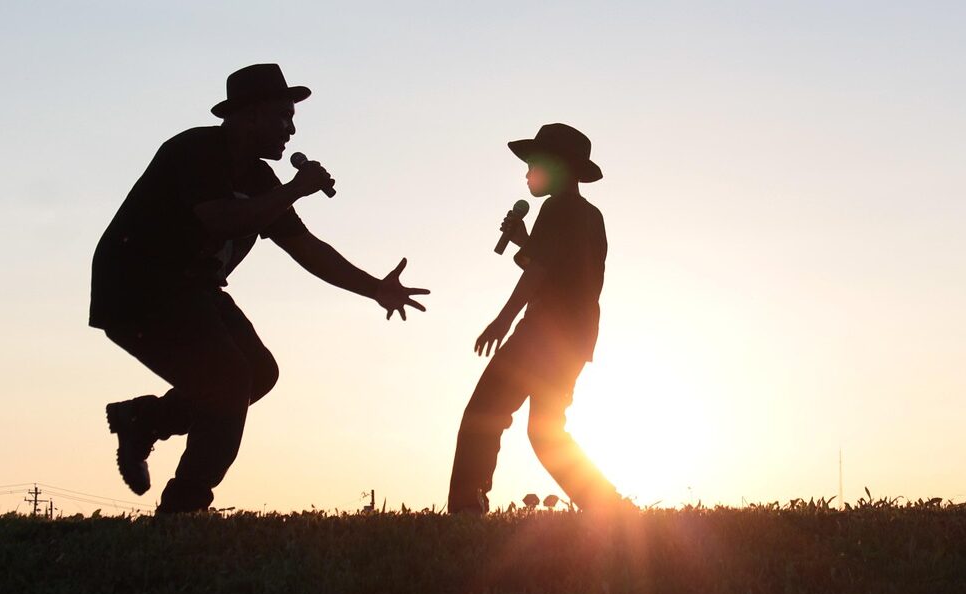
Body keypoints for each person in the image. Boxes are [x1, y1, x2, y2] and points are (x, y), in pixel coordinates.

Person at [89, 63, 428, 513]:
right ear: (248, 116)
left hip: (193, 291)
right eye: (282, 117)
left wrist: (375, 289)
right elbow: (224, 217)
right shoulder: (195, 150)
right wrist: (295, 189)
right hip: (137, 289)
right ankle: (184, 508)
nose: (290, 130)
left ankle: (144, 419)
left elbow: (306, 248)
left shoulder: (260, 180)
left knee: (257, 374)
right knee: (228, 380)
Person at [447, 123, 626, 514]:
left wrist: (502, 321)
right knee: (545, 432)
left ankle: (465, 508)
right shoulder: (587, 215)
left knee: (483, 414)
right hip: (575, 339)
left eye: (534, 163)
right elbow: (559, 268)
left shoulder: (558, 208)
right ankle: (609, 506)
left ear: (558, 167)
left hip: (543, 335)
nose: (527, 172)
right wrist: (523, 241)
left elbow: (539, 273)